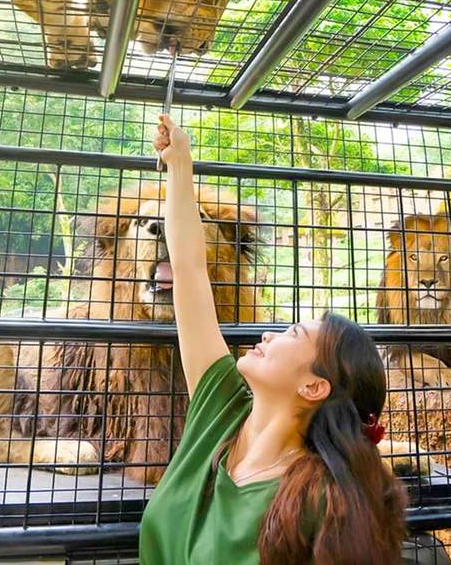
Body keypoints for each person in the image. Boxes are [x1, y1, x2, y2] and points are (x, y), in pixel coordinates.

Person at [139, 114, 407, 565]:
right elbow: (188, 272)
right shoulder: (220, 409)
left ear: (314, 386)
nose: (268, 333)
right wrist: (181, 164)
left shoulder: (322, 501)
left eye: (294, 333)